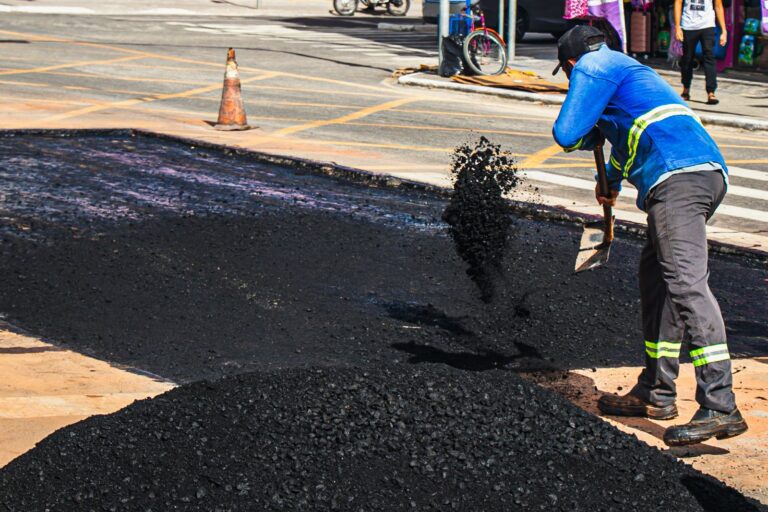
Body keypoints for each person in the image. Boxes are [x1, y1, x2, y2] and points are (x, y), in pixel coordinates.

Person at [551, 25, 748, 446]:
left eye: (568, 75)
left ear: (569, 63)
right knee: (656, 279)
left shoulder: (592, 66)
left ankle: (720, 403)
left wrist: (588, 121)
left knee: (686, 285)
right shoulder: (628, 69)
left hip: (678, 179)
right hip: (700, 174)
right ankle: (655, 392)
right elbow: (634, 138)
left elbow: (567, 134)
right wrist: (612, 182)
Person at [674, 0, 728, 105]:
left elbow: (718, 5)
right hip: (688, 25)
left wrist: (723, 30)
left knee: (709, 57)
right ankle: (686, 89)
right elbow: (678, 3)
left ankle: (711, 92)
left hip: (707, 25)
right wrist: (677, 27)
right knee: (687, 58)